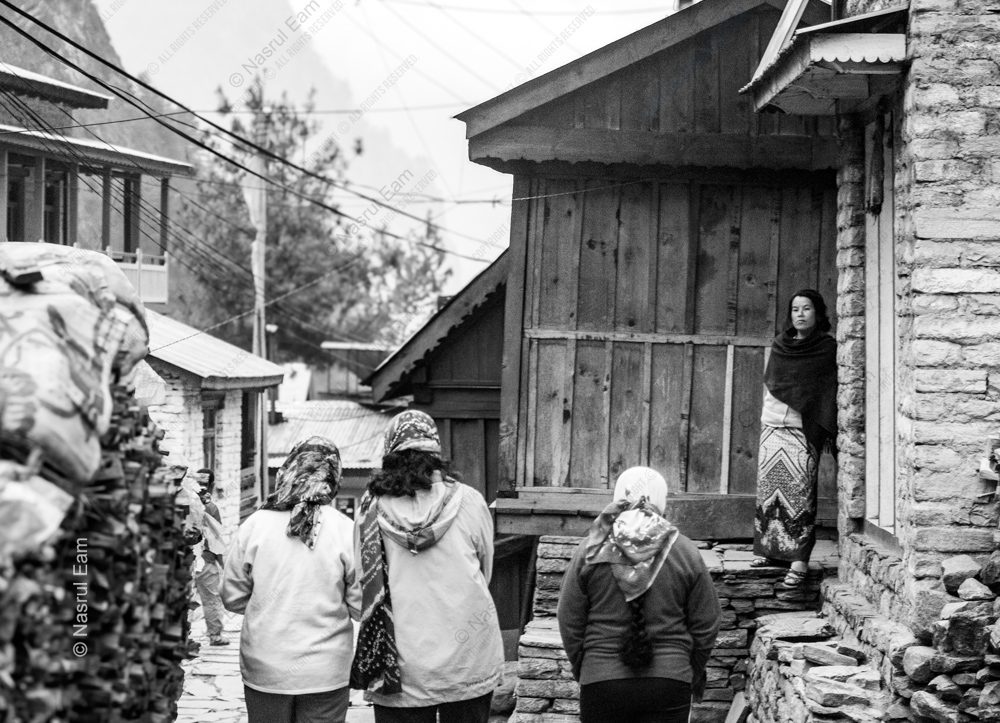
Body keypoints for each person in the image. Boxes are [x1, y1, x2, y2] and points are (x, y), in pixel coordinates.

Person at [350, 410, 503, 723]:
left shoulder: (370, 509)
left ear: (389, 453)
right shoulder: (470, 501)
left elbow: (361, 584)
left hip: (400, 667)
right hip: (467, 661)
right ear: (436, 452)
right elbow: (484, 571)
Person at [557, 466, 721, 723]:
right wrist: (690, 670)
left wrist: (586, 667)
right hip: (669, 682)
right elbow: (707, 623)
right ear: (662, 502)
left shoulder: (589, 550)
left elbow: (569, 619)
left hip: (601, 681)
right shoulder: (685, 551)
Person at [221, 437, 359, 723]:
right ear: (334, 476)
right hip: (326, 672)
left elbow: (232, 597)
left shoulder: (255, 525)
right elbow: (359, 605)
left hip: (266, 668)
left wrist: (268, 606)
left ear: (288, 470)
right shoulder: (346, 530)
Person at [752, 289, 837, 588]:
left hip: (802, 429)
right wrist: (769, 418)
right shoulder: (781, 344)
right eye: (795, 309)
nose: (800, 314)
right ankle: (770, 551)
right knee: (770, 492)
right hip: (773, 425)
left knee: (799, 494)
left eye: (807, 308)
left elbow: (824, 390)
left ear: (818, 313)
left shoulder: (826, 348)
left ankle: (799, 560)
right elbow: (772, 383)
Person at [190, 468, 229, 647]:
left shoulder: (185, 500)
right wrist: (222, 563)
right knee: (211, 598)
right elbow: (216, 539)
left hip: (187, 557)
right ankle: (215, 636)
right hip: (205, 558)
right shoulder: (211, 508)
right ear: (212, 486)